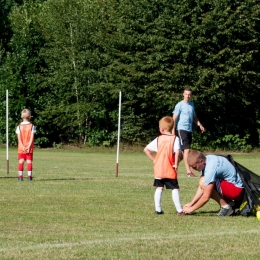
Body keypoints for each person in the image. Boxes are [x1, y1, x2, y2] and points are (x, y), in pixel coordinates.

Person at [144, 116, 185, 215]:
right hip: (169, 168)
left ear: (162, 129)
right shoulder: (175, 139)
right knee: (175, 188)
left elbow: (146, 149)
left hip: (159, 168)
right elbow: (177, 151)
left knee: (159, 188)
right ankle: (179, 210)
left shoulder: (159, 139)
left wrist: (154, 160)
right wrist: (175, 164)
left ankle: (158, 209)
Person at [183, 150, 244, 216]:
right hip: (237, 187)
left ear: (201, 161)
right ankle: (230, 204)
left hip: (236, 191)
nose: (193, 169)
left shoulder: (210, 169)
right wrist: (192, 203)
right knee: (203, 181)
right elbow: (201, 187)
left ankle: (226, 207)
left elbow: (206, 197)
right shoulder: (208, 158)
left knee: (204, 183)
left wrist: (191, 209)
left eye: (194, 167)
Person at [172, 87, 205, 177]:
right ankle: (188, 172)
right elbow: (174, 119)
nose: (188, 96)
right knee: (186, 150)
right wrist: (173, 131)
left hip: (189, 130)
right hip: (181, 129)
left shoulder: (191, 105)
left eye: (189, 94)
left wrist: (199, 124)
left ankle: (173, 164)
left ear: (191, 95)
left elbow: (194, 117)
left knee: (183, 153)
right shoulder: (179, 105)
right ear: (183, 94)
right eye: (186, 94)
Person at [16, 109, 36, 181]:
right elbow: (31, 138)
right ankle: (29, 177)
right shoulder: (32, 126)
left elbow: (19, 139)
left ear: (22, 116)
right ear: (30, 117)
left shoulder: (19, 126)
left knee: (21, 161)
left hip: (21, 147)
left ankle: (20, 177)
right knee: (29, 161)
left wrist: (23, 146)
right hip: (29, 147)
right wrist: (28, 146)